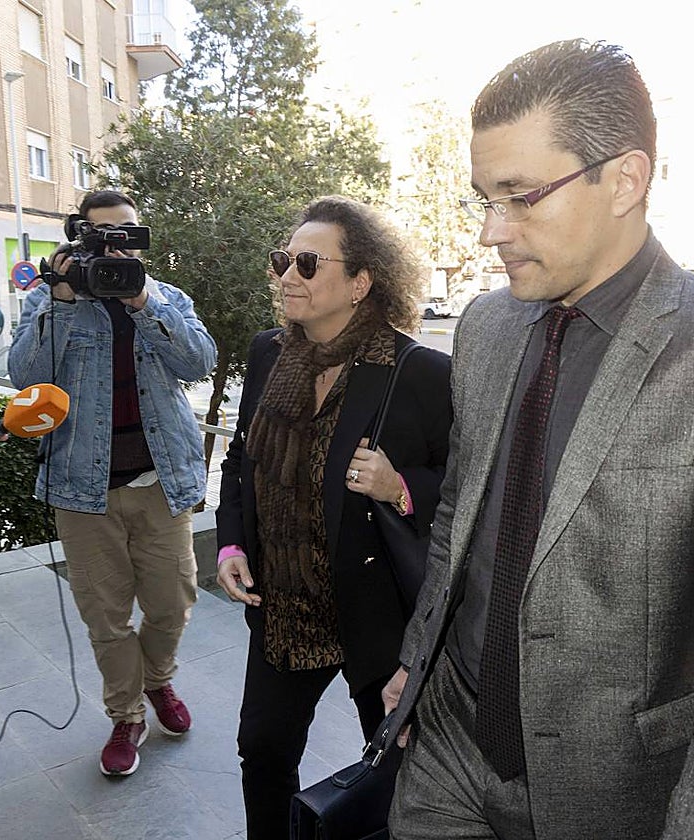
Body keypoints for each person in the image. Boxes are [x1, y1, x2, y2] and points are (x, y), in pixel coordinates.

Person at [384, 39, 694, 840]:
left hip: (612, 792)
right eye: (483, 198)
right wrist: (419, 664)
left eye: (520, 197)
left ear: (624, 179)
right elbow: (461, 518)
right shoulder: (484, 329)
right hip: (447, 748)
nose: (491, 231)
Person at [215, 195, 453, 839]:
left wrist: (400, 484)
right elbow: (241, 461)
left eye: (308, 263)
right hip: (284, 604)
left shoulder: (418, 372)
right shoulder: (270, 355)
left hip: (374, 613)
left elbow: (465, 487)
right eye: (282, 261)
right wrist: (231, 544)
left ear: (361, 282)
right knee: (262, 752)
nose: (287, 275)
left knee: (397, 762)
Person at [8, 189, 216, 776]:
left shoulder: (165, 297)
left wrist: (143, 299)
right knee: (107, 616)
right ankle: (126, 714)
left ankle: (157, 682)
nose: (114, 244)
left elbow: (198, 362)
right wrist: (61, 299)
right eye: (101, 235)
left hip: (160, 483)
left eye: (125, 232)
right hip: (82, 489)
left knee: (172, 604)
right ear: (78, 238)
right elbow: (26, 377)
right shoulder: (51, 301)